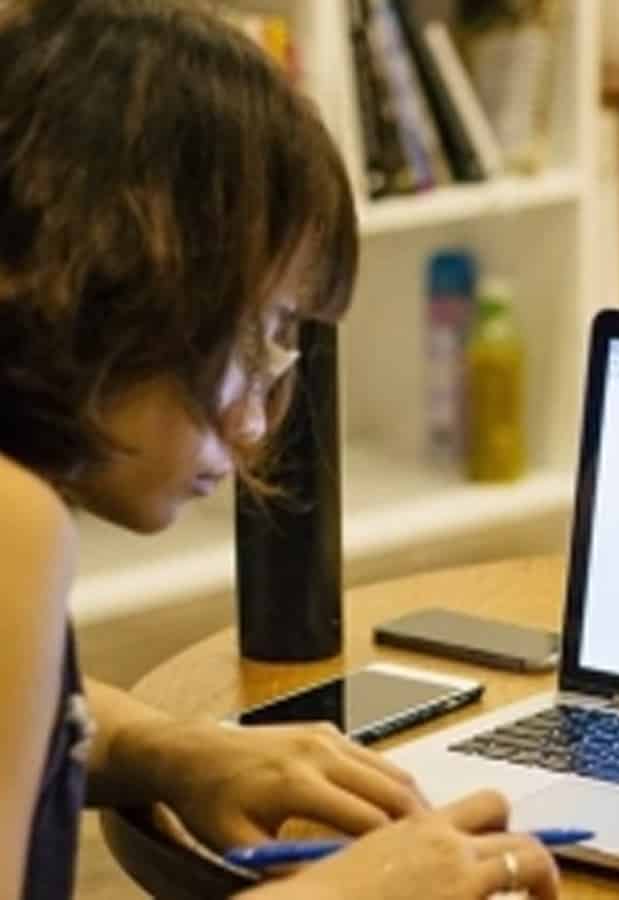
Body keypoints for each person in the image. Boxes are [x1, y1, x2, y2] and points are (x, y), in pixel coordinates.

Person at [0, 2, 557, 898]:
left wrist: (167, 749)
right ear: (126, 280)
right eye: (253, 336)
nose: (257, 422)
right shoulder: (12, 523)